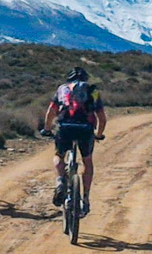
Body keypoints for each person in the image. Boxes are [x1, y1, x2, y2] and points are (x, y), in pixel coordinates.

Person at [42, 66, 106, 217]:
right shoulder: (92, 91)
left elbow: (51, 111)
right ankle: (85, 197)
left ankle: (60, 181)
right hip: (86, 129)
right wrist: (99, 134)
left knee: (59, 155)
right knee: (87, 160)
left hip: (65, 127)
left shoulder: (62, 89)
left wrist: (47, 129)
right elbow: (102, 117)